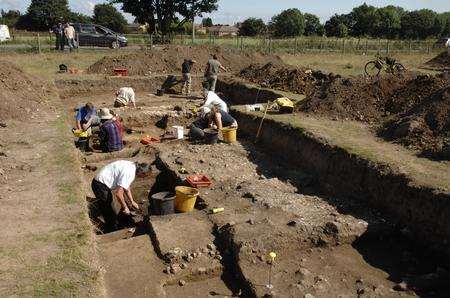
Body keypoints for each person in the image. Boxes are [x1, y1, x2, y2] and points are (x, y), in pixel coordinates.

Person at [91, 160, 151, 232]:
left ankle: (115, 224)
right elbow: (118, 194)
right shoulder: (130, 173)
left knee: (113, 206)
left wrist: (132, 201)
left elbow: (126, 186)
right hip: (100, 184)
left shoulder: (132, 166)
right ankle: (112, 230)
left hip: (101, 181)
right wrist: (125, 207)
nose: (143, 178)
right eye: (145, 176)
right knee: (109, 210)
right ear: (142, 172)